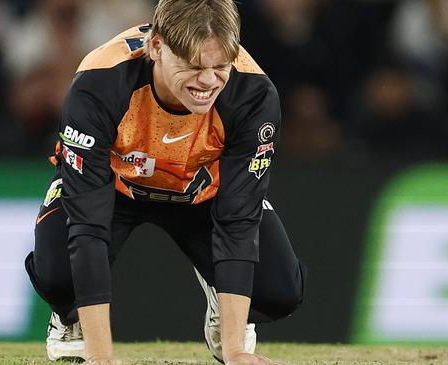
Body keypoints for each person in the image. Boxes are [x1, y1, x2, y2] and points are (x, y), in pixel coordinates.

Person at [24, 0, 306, 364]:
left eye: (220, 66)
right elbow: (87, 225)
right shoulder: (100, 82)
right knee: (58, 273)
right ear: (156, 47)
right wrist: (101, 357)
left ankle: (226, 311)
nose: (208, 81)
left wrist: (235, 350)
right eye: (192, 66)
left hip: (203, 192)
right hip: (114, 186)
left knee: (279, 291)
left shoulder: (252, 93)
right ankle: (71, 321)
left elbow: (239, 221)